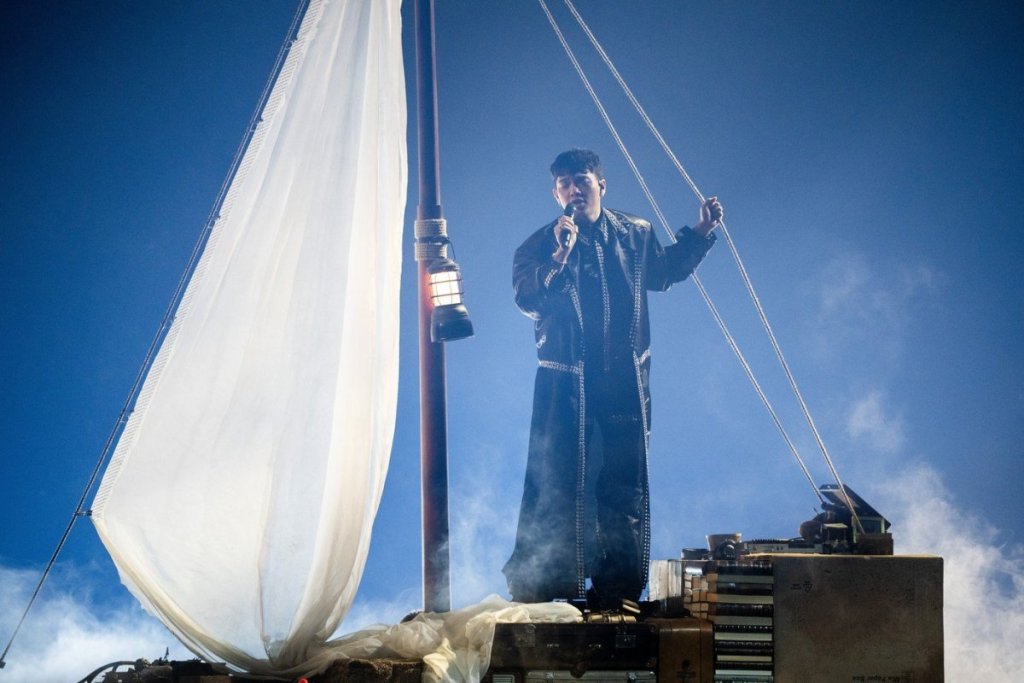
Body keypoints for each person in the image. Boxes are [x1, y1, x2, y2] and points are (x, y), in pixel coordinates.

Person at [504, 148, 723, 607]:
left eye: (581, 180)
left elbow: (664, 272)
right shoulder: (537, 246)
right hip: (566, 386)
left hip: (624, 383)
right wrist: (559, 257)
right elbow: (529, 300)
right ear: (555, 193)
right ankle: (547, 590)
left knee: (624, 486)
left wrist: (701, 233)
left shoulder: (635, 233)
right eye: (564, 184)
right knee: (557, 483)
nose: (573, 190)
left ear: (601, 185)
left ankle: (618, 593)